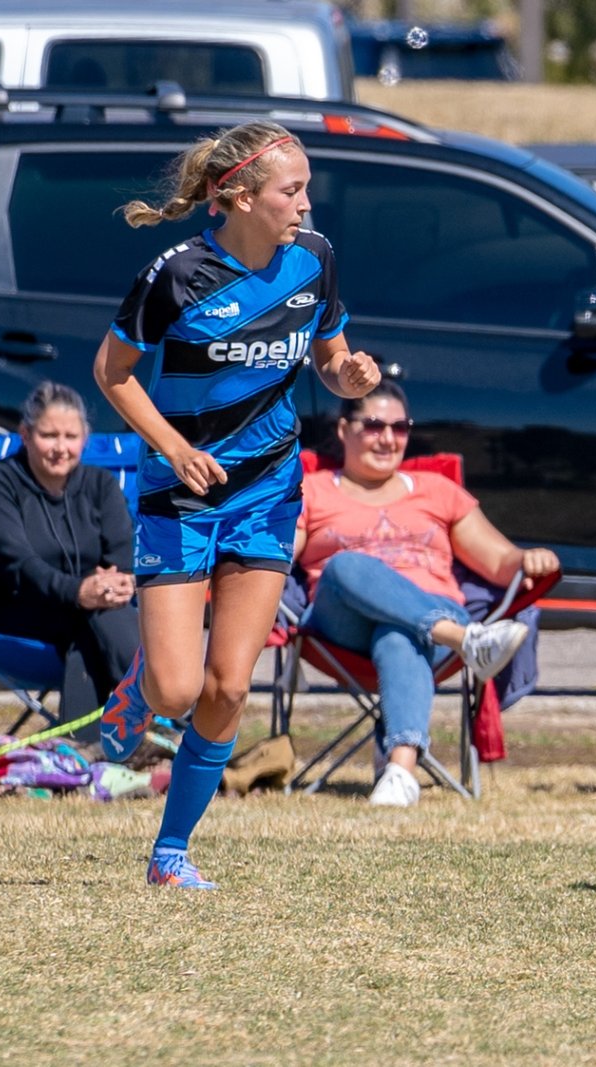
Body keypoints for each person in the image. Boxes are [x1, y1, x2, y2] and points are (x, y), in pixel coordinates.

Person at [92, 120, 382, 889]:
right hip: (181, 495)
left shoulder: (313, 258)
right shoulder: (178, 275)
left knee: (227, 687)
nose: (307, 204)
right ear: (242, 197)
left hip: (267, 493)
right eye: (293, 190)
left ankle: (170, 853)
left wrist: (349, 376)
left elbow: (329, 354)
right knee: (177, 689)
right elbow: (112, 371)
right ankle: (139, 689)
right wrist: (174, 447)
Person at [293, 381, 561, 807]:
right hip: (340, 628)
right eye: (374, 425)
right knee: (346, 564)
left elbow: (499, 560)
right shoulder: (312, 490)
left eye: (400, 428)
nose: (388, 438)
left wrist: (530, 559)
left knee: (398, 634)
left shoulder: (437, 491)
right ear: (343, 429)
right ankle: (467, 641)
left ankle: (400, 772)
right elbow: (277, 554)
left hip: (432, 619)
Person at [0, 381, 141, 740]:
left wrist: (114, 585)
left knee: (95, 619)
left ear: (84, 439)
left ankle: (85, 745)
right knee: (97, 617)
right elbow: (17, 563)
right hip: (13, 614)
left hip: (90, 614)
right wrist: (79, 592)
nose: (61, 448)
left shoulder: (101, 485)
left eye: (71, 437)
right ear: (25, 434)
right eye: (49, 435)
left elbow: (122, 557)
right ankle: (163, 710)